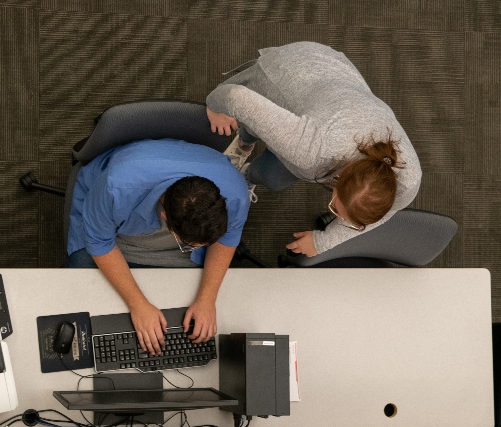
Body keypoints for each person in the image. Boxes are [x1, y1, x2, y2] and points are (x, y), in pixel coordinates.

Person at [205, 41, 422, 257]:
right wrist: (215, 107)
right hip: (295, 73)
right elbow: (235, 97)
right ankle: (244, 143)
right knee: (257, 127)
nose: (340, 218)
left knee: (272, 178)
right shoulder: (312, 151)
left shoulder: (407, 182)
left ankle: (247, 172)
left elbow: (387, 212)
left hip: (332, 96)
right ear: (339, 180)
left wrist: (323, 242)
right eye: (335, 209)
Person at [66, 138, 250, 356]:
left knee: (187, 304)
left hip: (159, 229)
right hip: (112, 229)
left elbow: (226, 240)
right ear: (164, 217)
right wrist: (139, 306)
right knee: (79, 290)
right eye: (187, 245)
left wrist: (207, 300)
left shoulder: (235, 194)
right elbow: (98, 242)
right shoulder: (116, 187)